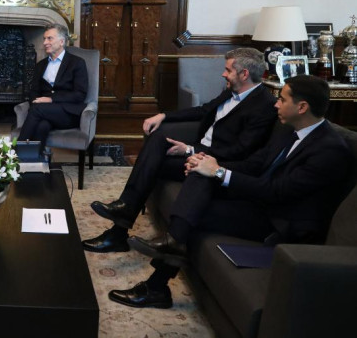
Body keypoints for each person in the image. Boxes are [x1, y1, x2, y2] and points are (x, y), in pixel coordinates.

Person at [109, 75, 352, 309]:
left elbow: (277, 192)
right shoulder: (288, 129)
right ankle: (159, 279)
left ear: (302, 107)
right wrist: (208, 163)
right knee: (200, 177)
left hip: (280, 223)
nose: (276, 104)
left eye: (283, 99)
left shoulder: (329, 150)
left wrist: (220, 173)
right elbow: (254, 164)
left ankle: (157, 282)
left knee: (190, 215)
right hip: (258, 203)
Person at [82, 48, 278, 253]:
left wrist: (190, 151)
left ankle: (119, 231)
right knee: (158, 139)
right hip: (199, 151)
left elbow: (240, 150)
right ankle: (125, 211)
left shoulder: (264, 106)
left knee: (154, 164)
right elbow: (203, 110)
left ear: (244, 74)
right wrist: (164, 116)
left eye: (228, 70)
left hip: (214, 161)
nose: (223, 74)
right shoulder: (231, 90)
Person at [18, 23, 88, 154]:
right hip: (44, 112)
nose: (45, 42)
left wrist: (50, 100)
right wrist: (36, 101)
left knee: (37, 109)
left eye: (49, 38)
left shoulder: (77, 63)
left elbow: (80, 94)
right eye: (44, 39)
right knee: (42, 126)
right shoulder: (40, 65)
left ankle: (16, 154)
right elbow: (33, 91)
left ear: (62, 41)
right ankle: (36, 163)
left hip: (68, 113)